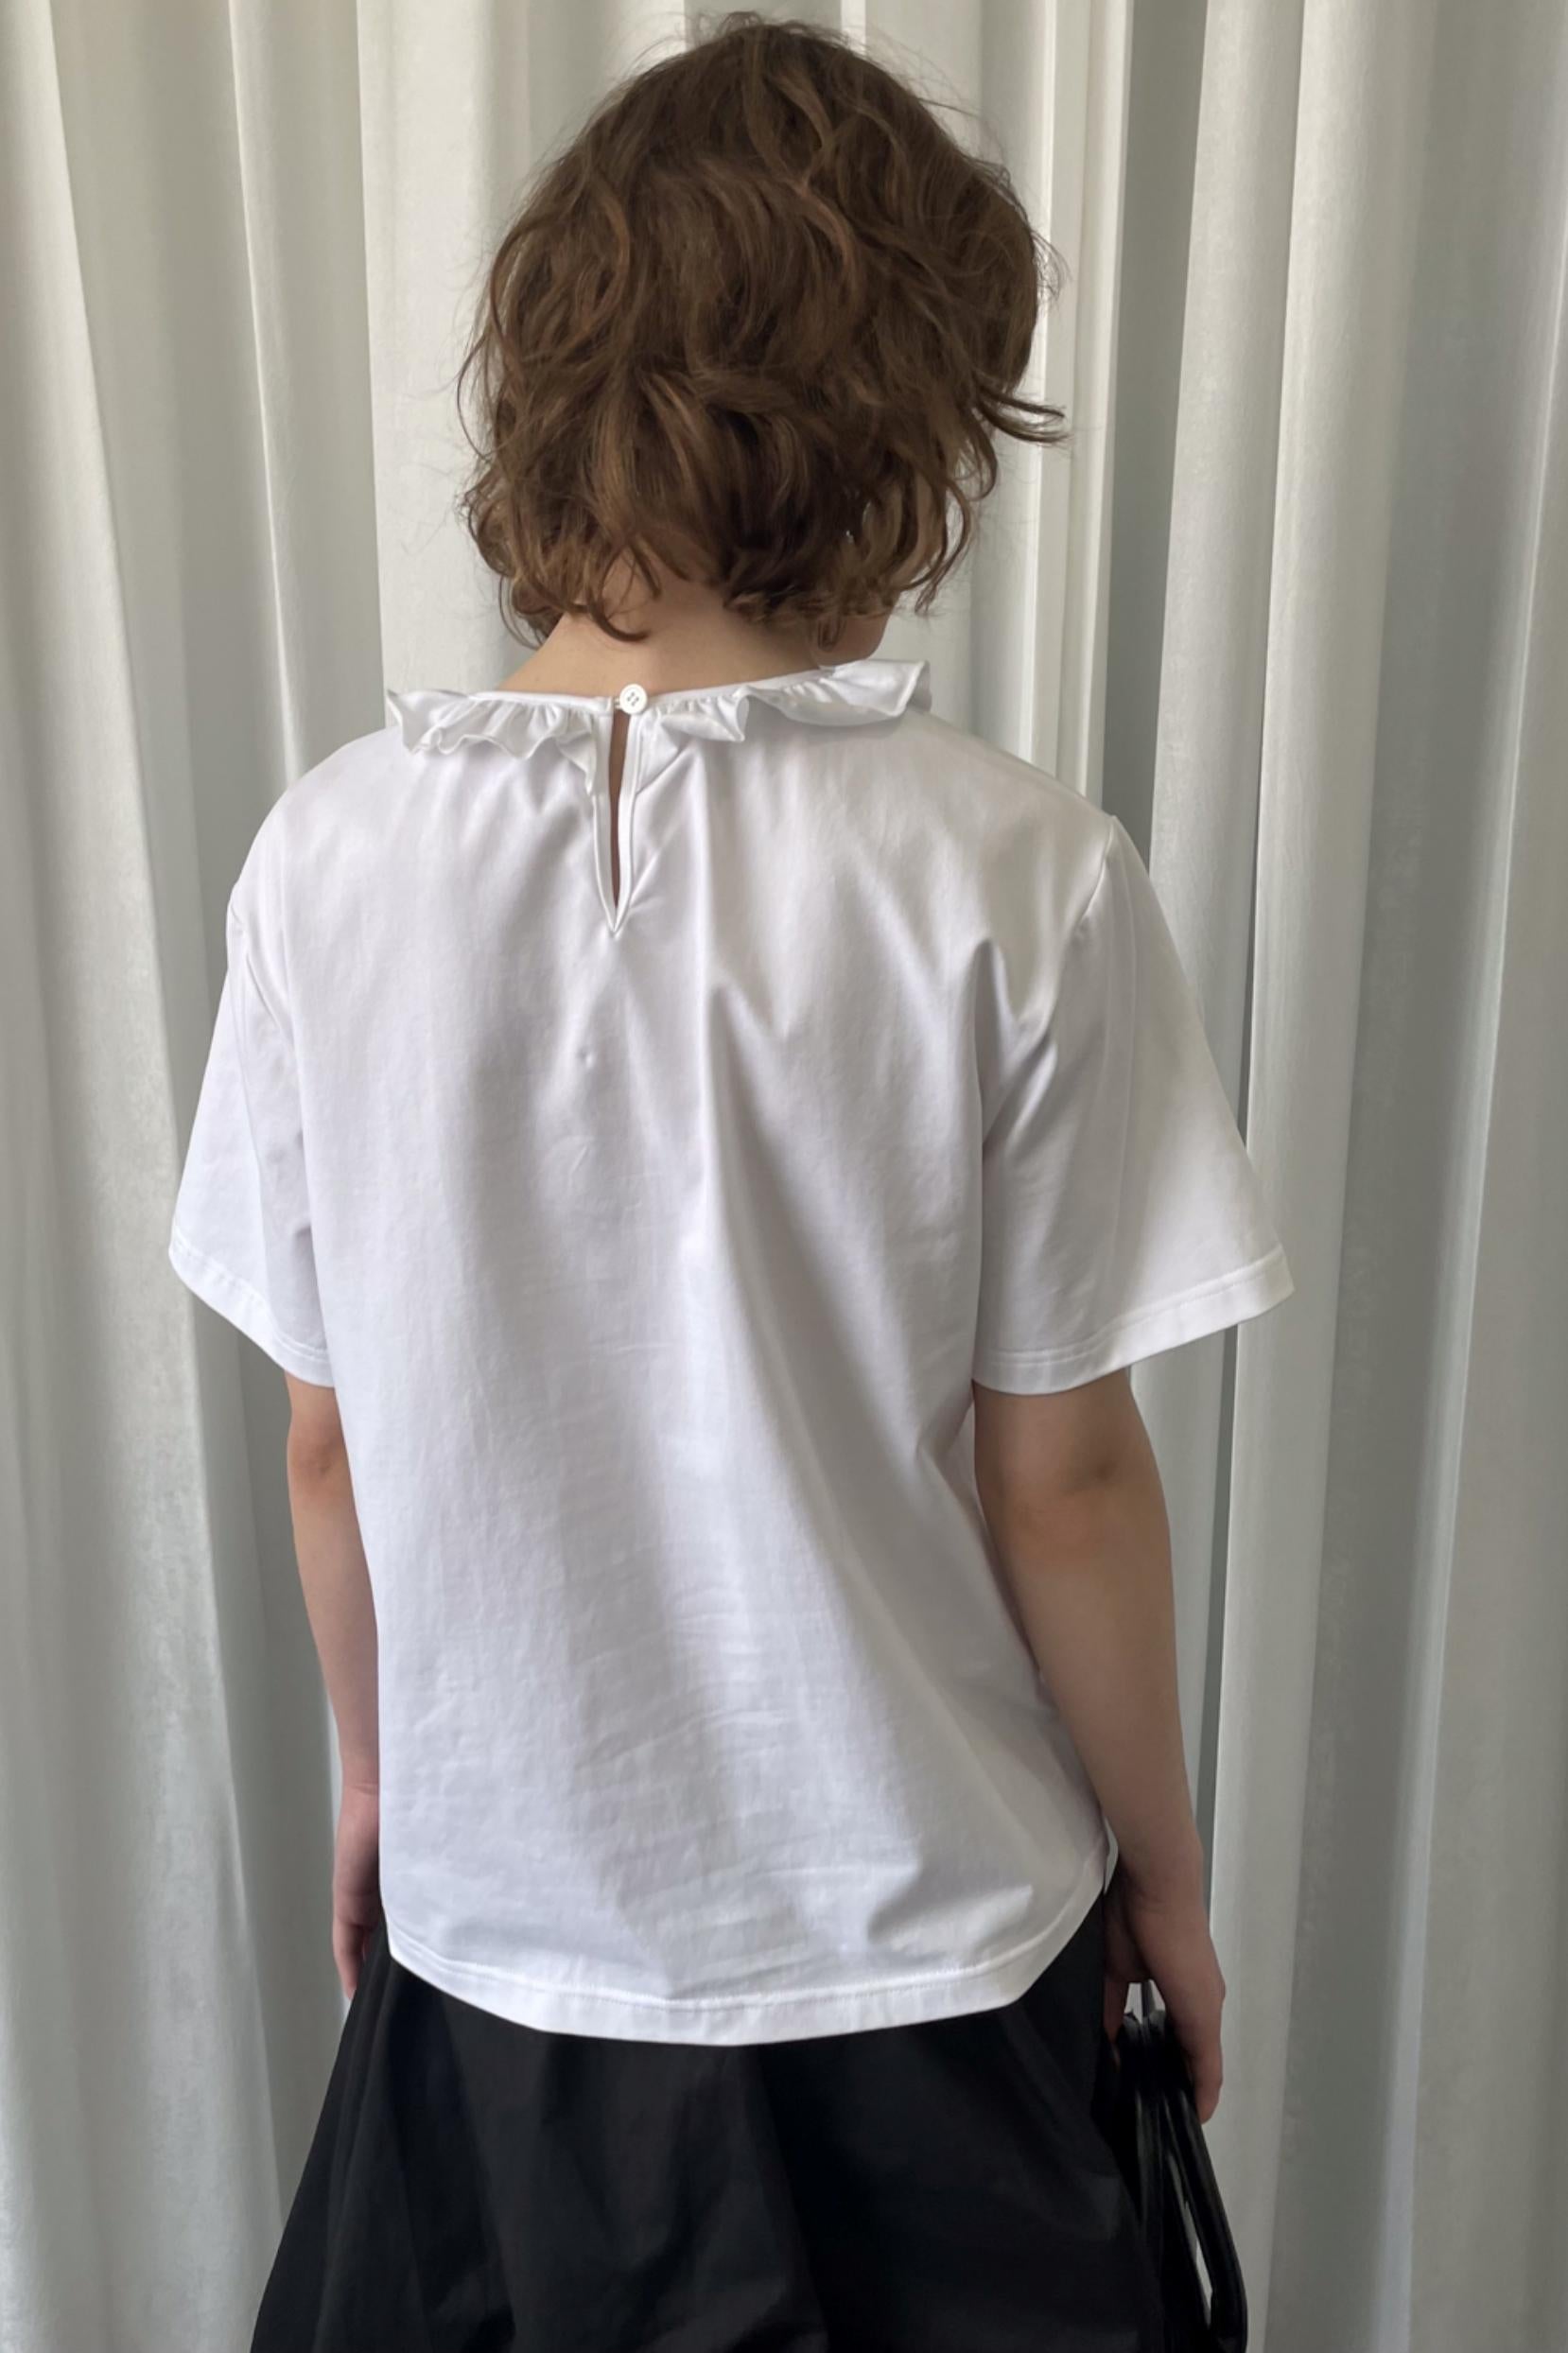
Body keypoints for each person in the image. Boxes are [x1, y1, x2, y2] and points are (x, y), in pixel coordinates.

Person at [167, 13, 1294, 2349]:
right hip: (931, 1973)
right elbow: (1065, 1476)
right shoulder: (1016, 872)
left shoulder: (324, 865)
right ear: (890, 423)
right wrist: (1168, 1882)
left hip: (507, 1965)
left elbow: (325, 1440)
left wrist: (381, 1786)